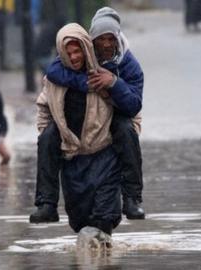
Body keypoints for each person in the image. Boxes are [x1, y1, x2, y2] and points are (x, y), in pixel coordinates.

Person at [40, 7, 146, 220]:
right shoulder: (82, 52)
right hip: (83, 129)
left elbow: (134, 105)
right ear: (92, 40)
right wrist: (88, 83)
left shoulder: (129, 64)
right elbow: (54, 71)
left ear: (117, 38)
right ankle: (46, 204)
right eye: (100, 39)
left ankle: (132, 199)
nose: (106, 44)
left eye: (110, 39)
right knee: (48, 137)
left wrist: (113, 83)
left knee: (126, 131)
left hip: (116, 118)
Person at [32, 23, 121, 242]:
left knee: (103, 218)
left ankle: (132, 199)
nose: (73, 57)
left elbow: (130, 107)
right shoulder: (54, 78)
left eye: (77, 51)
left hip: (104, 153)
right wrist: (49, 137)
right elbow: (44, 108)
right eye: (68, 53)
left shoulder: (106, 73)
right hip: (73, 156)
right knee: (80, 222)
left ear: (86, 48)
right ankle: (46, 204)